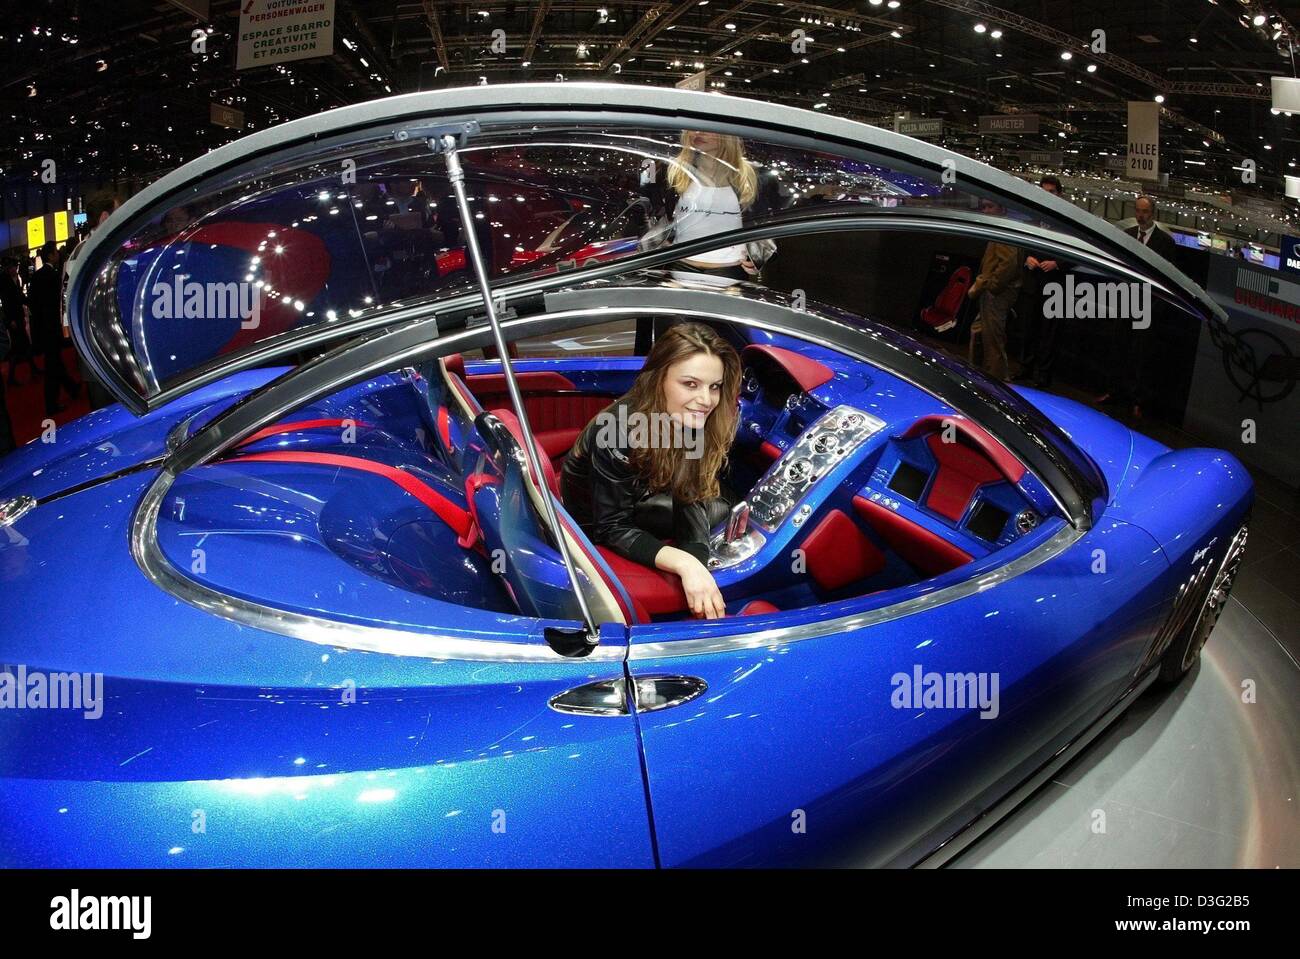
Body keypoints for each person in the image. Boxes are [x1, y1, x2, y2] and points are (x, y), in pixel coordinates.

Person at [561, 323, 741, 620]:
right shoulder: (617, 431)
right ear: (659, 380)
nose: (707, 400)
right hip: (596, 527)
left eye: (714, 386)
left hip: (646, 495)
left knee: (723, 506)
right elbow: (612, 527)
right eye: (690, 384)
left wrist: (697, 564)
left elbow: (690, 496)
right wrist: (684, 564)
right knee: (720, 510)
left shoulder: (687, 418)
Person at [634, 131, 781, 353]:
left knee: (724, 354)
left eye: (707, 127)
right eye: (693, 126)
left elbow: (768, 224)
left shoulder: (754, 175)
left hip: (729, 277)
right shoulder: (673, 170)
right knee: (671, 354)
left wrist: (759, 256)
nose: (698, 132)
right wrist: (657, 242)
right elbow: (651, 212)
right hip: (679, 273)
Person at [1018, 175, 1068, 388]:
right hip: (1032, 283)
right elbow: (1021, 248)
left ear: (1059, 194)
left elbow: (1074, 252)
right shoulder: (1031, 220)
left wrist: (1057, 263)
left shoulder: (1067, 223)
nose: (1048, 196)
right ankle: (1025, 368)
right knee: (1028, 328)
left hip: (1055, 284)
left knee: (1049, 333)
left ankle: (1043, 375)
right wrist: (1026, 258)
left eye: (1052, 192)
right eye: (1044, 192)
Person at [967, 198, 1022, 382]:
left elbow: (1009, 263)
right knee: (980, 331)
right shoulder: (999, 226)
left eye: (991, 206)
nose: (986, 211)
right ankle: (979, 374)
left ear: (1002, 207)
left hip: (997, 293)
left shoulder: (1004, 228)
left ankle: (996, 381)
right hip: (992, 291)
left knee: (993, 340)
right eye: (984, 207)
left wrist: (992, 285)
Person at [28, 242, 80, 416]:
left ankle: (72, 389)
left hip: (43, 329)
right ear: (50, 255)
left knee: (55, 364)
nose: (58, 256)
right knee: (53, 367)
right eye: (56, 253)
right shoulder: (52, 276)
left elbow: (33, 305)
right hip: (52, 328)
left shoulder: (37, 276)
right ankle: (51, 404)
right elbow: (57, 305)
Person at [0, 257, 38, 386]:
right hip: (13, 319)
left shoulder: (14, 279)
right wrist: (10, 320)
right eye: (13, 267)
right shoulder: (4, 280)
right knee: (18, 348)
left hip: (17, 317)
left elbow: (19, 296)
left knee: (23, 345)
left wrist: (29, 301)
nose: (15, 269)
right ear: (7, 268)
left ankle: (33, 369)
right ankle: (13, 377)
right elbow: (6, 303)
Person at [1126, 195, 1177, 261]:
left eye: (1145, 211)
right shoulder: (1127, 234)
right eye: (1138, 210)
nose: (1140, 215)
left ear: (1153, 214)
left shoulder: (1166, 242)